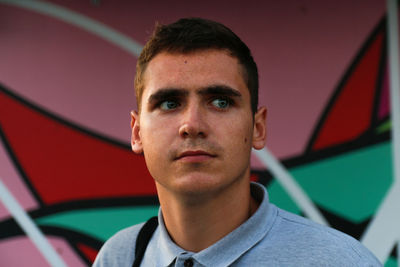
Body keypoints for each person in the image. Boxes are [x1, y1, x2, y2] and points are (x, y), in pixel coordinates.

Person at [93, 18, 382, 267]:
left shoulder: (338, 261)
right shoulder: (120, 257)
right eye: (170, 103)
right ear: (137, 132)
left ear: (257, 128)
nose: (192, 125)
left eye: (220, 101)